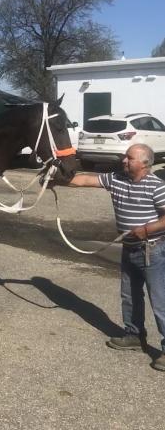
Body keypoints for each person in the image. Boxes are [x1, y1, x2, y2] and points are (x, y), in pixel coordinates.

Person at [67, 143, 165, 371]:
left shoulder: (157, 187)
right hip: (129, 249)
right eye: (124, 157)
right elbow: (84, 180)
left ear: (144, 163)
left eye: (129, 158)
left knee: (160, 301)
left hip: (152, 250)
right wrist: (57, 181)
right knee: (129, 296)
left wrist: (147, 229)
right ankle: (134, 335)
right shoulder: (116, 179)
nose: (124, 161)